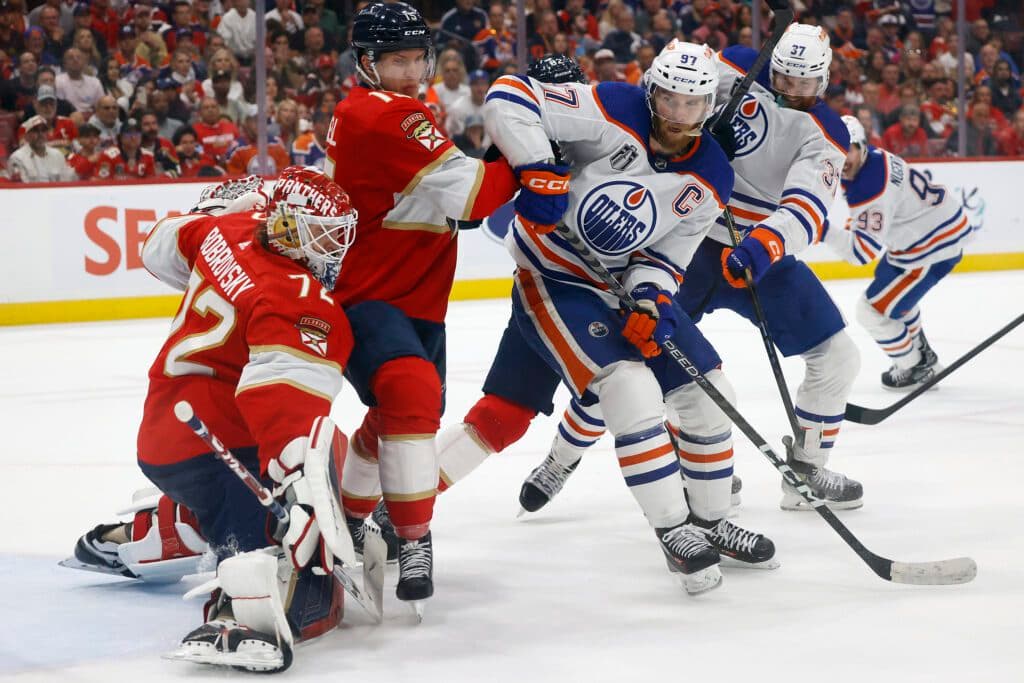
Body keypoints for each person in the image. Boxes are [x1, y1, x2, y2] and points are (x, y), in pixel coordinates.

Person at [419, 46, 775, 589]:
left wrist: (652, 299)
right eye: (668, 98)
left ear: (708, 105)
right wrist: (537, 170)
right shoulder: (608, 108)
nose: (677, 113)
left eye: (692, 102)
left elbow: (665, 257)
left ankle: (712, 520)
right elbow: (509, 98)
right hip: (556, 279)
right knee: (621, 390)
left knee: (710, 390)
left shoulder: (710, 177)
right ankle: (673, 529)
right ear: (650, 89)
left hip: (617, 290)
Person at [519, 24, 863, 514]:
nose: (790, 92)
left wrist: (766, 243)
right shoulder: (738, 65)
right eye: (783, 77)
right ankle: (562, 457)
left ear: (824, 82)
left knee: (838, 356)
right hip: (685, 241)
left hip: (755, 257)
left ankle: (806, 472)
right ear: (773, 63)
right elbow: (672, 96)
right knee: (633, 356)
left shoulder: (828, 133)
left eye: (804, 85)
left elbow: (808, 207)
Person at [63, 168, 360, 673]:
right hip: (220, 444)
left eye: (338, 234)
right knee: (283, 520)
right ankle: (235, 614)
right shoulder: (300, 301)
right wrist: (301, 494)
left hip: (163, 432)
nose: (332, 248)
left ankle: (150, 531)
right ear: (286, 224)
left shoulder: (227, 231)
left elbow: (158, 246)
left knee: (226, 496)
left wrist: (216, 211)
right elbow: (283, 410)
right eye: (320, 233)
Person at [323, 1, 520, 612]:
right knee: (409, 395)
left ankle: (351, 516)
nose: (410, 72)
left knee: (397, 415)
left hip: (417, 297)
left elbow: (450, 204)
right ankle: (413, 536)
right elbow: (474, 195)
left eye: (416, 59)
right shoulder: (388, 115)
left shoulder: (386, 109)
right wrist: (533, 153)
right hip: (372, 293)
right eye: (396, 60)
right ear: (367, 63)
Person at [821, 116, 980, 390]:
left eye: (848, 149)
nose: (842, 157)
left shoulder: (869, 187)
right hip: (928, 236)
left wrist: (821, 231)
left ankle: (914, 367)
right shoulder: (874, 158)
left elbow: (860, 254)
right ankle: (924, 357)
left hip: (929, 250)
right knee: (891, 291)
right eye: (836, 151)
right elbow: (873, 215)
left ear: (861, 145)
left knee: (870, 311)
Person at [6, 114, 76, 181]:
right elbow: (21, 188)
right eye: (35, 131)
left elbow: (65, 182)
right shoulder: (17, 158)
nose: (40, 134)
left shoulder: (57, 155)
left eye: (43, 130)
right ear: (27, 136)